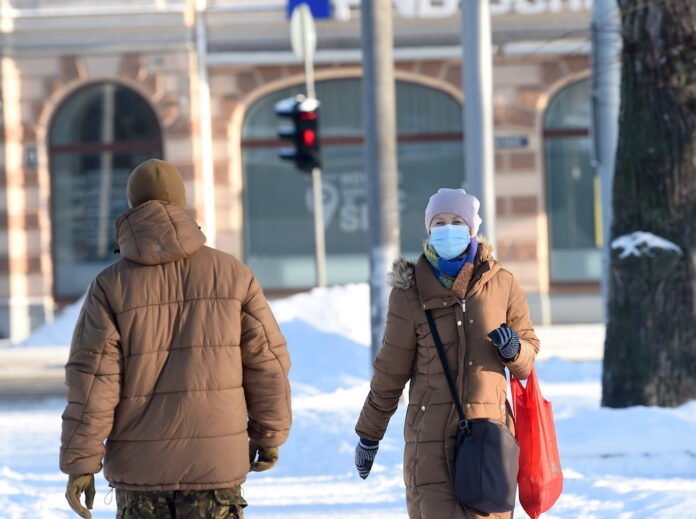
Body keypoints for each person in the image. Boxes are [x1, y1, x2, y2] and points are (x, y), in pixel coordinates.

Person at [59, 159, 292, 519]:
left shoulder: (110, 285)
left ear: (132, 204)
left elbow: (92, 382)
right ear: (181, 204)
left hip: (140, 470)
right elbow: (267, 364)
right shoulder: (233, 274)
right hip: (215, 467)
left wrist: (82, 462)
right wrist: (269, 435)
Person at [354, 188, 539, 519]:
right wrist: (369, 435)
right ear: (428, 231)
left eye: (456, 221)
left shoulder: (502, 284)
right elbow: (390, 373)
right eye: (439, 222)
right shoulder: (409, 293)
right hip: (430, 445)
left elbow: (528, 357)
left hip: (489, 442)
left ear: (471, 230)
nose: (448, 229)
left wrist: (514, 350)